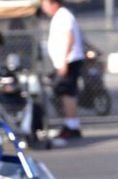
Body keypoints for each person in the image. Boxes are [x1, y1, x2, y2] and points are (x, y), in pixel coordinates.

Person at [42, 0, 85, 140]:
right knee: (63, 92)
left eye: (45, 4)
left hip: (69, 61)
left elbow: (69, 38)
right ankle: (71, 124)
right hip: (65, 61)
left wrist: (64, 61)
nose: (43, 8)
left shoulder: (63, 16)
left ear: (53, 3)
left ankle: (71, 126)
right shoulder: (60, 16)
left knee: (67, 93)